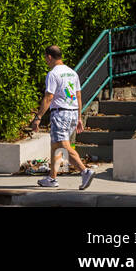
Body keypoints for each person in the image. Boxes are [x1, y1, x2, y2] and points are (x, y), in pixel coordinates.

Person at [31, 45, 95, 189]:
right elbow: (78, 95)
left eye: (45, 58)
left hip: (60, 113)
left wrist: (38, 117)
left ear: (49, 57)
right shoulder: (72, 73)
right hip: (72, 113)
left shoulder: (53, 74)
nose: (45, 61)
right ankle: (52, 178)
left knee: (63, 145)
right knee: (56, 146)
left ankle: (85, 172)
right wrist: (78, 117)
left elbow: (49, 97)